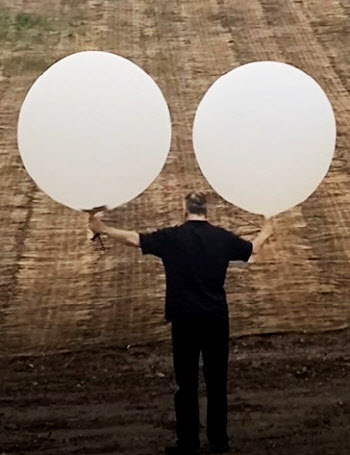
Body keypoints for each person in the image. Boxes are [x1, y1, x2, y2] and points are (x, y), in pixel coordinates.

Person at [89, 192, 273, 455]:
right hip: (216, 320)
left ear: (183, 208)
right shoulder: (222, 237)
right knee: (217, 382)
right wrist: (267, 229)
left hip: (184, 320)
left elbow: (134, 239)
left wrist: (102, 228)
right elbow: (252, 250)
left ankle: (188, 443)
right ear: (206, 211)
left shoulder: (172, 238)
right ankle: (219, 441)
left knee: (186, 384)